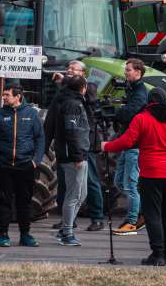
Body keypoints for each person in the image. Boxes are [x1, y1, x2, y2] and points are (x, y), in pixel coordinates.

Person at [102, 87, 166, 265]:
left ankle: (157, 253)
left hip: (151, 173)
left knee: (153, 215)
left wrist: (107, 146)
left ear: (148, 101)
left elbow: (127, 141)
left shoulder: (142, 118)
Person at [48, 60, 104, 232]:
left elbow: (86, 99)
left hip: (85, 144)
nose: (69, 70)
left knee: (91, 181)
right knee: (65, 183)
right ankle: (68, 220)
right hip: (66, 145)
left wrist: (65, 80)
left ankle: (97, 218)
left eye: (74, 69)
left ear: (83, 73)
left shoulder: (90, 87)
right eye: (68, 68)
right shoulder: (65, 91)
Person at [0, 84, 44, 248]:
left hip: (25, 166)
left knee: (24, 202)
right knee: (3, 202)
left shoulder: (32, 114)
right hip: (4, 165)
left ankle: (25, 235)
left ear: (18, 96)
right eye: (3, 94)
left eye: (7, 95)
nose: (4, 97)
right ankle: (3, 235)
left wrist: (36, 161)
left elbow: (40, 138)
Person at [49, 75, 90, 246]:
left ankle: (64, 230)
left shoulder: (75, 101)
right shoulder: (73, 104)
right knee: (73, 196)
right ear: (83, 87)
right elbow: (71, 132)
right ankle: (67, 233)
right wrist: (77, 156)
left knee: (82, 195)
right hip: (73, 157)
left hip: (80, 154)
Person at [112, 58, 148, 234]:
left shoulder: (140, 91)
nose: (125, 73)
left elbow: (131, 111)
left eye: (128, 70)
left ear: (138, 73)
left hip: (135, 145)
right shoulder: (132, 89)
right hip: (127, 143)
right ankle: (141, 213)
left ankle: (133, 221)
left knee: (131, 185)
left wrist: (116, 113)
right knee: (119, 182)